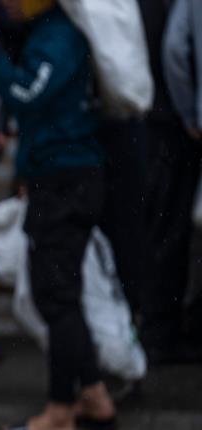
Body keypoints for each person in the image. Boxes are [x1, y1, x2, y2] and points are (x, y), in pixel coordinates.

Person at [0, 1, 117, 429]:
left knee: (57, 295)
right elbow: (33, 106)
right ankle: (94, 395)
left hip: (68, 180)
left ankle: (61, 411)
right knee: (59, 292)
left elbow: (28, 93)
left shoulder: (58, 35)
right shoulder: (45, 32)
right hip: (58, 176)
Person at [138, 0, 202, 364]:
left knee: (162, 227)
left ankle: (159, 328)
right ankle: (161, 332)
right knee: (169, 229)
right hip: (171, 121)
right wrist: (188, 110)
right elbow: (175, 50)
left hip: (156, 118)